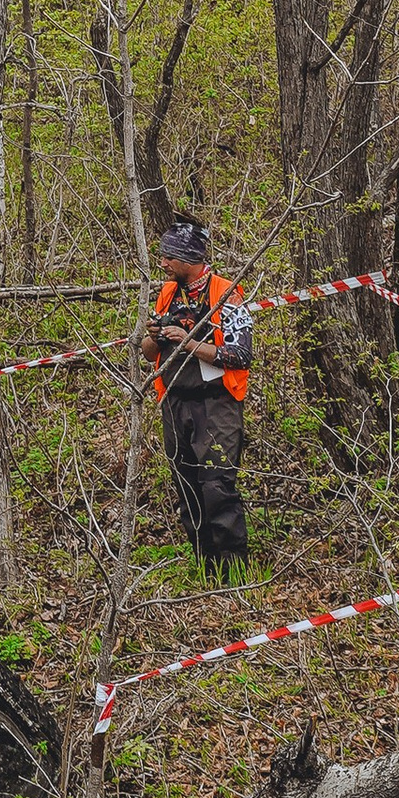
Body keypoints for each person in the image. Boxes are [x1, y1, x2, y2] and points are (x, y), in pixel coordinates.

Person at [141, 216, 252, 577]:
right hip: (174, 401)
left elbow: (241, 354)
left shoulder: (226, 293)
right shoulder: (167, 293)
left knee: (217, 485)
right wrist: (157, 335)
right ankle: (206, 568)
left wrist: (188, 342)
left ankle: (233, 571)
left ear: (188, 259)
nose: (163, 263)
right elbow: (146, 352)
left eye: (168, 258)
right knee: (185, 486)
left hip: (217, 402)